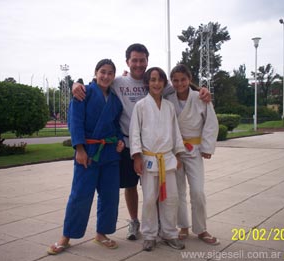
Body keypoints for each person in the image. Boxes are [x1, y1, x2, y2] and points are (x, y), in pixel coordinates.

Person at [72, 43, 212, 241]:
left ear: (147, 61)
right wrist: (76, 85)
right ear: (127, 62)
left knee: (156, 189)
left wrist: (202, 90)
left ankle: (159, 224)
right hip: (128, 144)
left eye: (142, 60)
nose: (138, 64)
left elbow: (182, 86)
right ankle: (135, 222)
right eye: (134, 60)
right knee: (131, 187)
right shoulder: (118, 81)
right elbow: (99, 82)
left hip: (156, 148)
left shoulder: (155, 82)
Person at [47, 59, 125, 255]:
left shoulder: (115, 101)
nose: (106, 76)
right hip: (88, 153)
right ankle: (66, 236)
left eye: (110, 73)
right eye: (103, 72)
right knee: (80, 195)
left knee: (110, 197)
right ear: (96, 72)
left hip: (110, 154)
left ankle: (102, 234)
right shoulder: (84, 93)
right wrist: (79, 149)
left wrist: (120, 139)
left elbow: (117, 126)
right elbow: (75, 121)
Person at [129, 67, 185, 251]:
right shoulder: (141, 106)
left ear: (164, 83)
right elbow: (134, 133)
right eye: (152, 79)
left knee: (171, 198)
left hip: (167, 159)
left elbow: (176, 132)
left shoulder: (169, 107)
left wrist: (178, 154)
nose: (156, 83)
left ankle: (169, 233)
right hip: (149, 159)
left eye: (160, 79)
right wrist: (137, 157)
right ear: (147, 83)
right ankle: (149, 234)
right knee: (149, 199)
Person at [166, 64, 220, 245]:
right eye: (175, 80)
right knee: (178, 191)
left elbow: (211, 123)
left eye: (183, 79)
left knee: (197, 191)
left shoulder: (200, 97)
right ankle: (183, 226)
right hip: (175, 151)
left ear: (189, 79)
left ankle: (201, 229)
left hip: (194, 149)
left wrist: (207, 147)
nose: (179, 83)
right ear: (171, 81)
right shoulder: (168, 98)